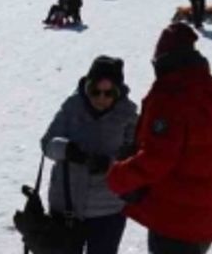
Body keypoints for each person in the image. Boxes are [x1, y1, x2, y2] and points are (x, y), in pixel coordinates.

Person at [107, 24, 212, 254]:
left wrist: (118, 175)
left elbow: (157, 158)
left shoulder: (171, 95)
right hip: (204, 214)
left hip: (173, 219)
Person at [40, 57, 139, 254]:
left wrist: (109, 164)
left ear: (117, 93)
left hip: (108, 210)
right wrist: (66, 149)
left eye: (108, 93)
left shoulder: (128, 116)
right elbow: (47, 144)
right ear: (87, 87)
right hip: (67, 206)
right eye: (95, 91)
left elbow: (136, 159)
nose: (101, 98)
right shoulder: (72, 107)